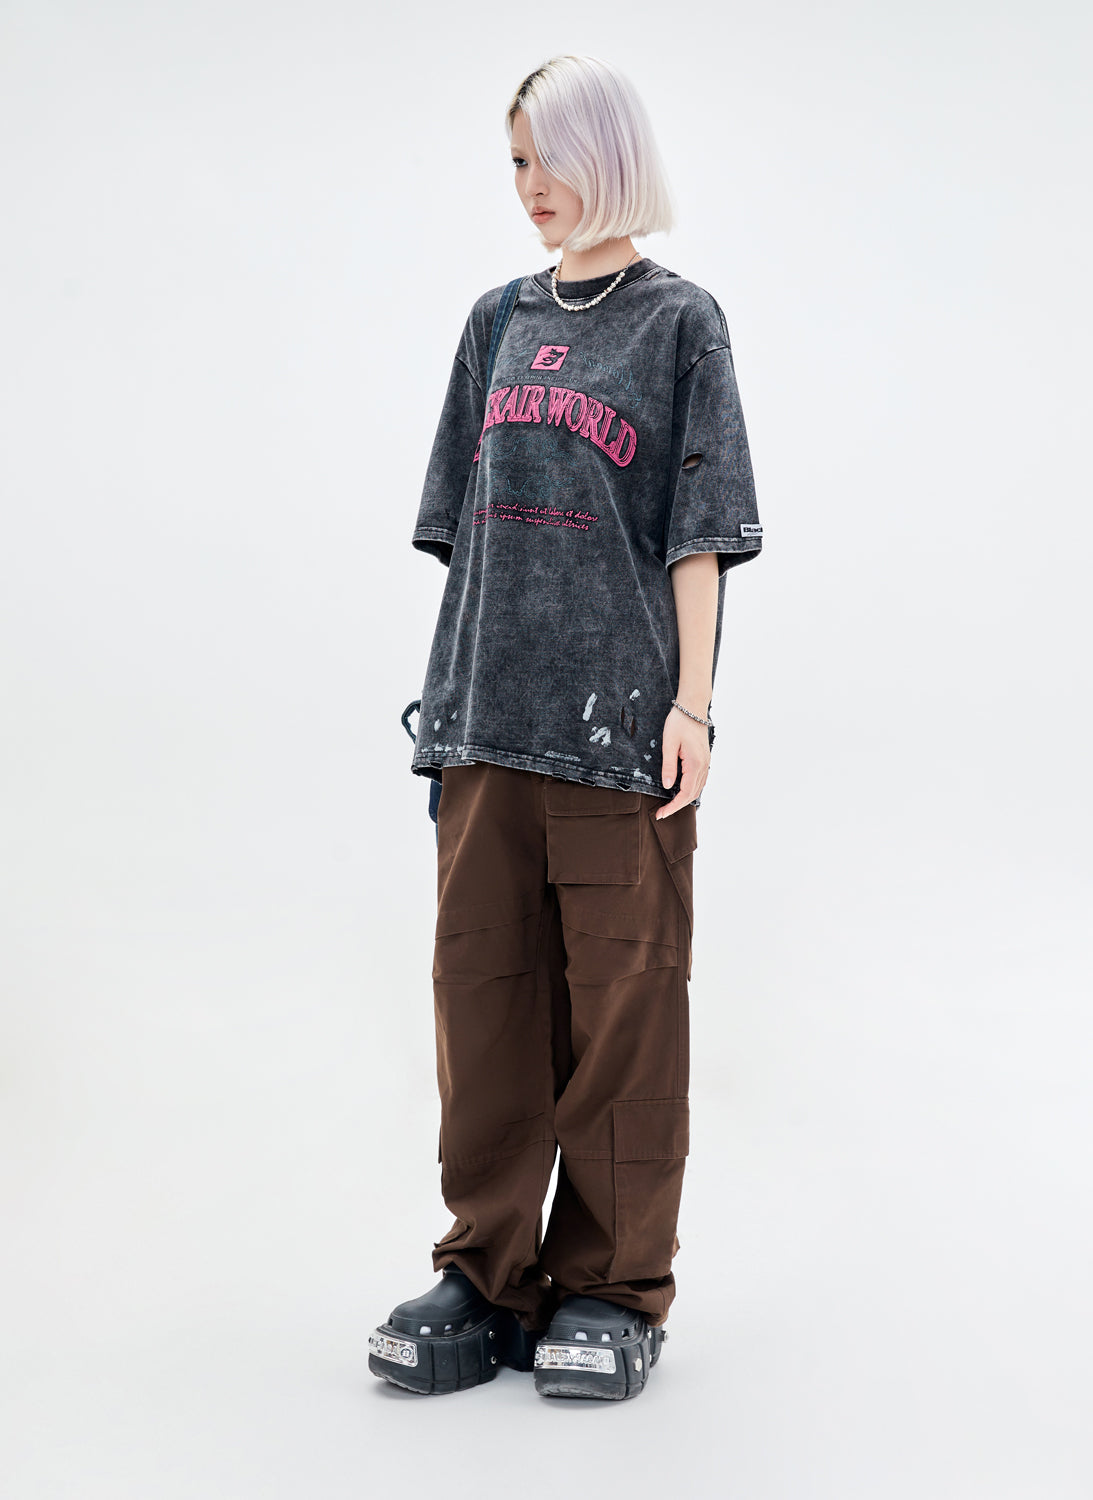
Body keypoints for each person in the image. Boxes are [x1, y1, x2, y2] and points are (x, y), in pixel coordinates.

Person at [369, 53, 762, 1401]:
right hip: (484, 723)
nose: (529, 186)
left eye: (547, 157)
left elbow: (699, 535)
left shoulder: (679, 325)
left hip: (619, 734)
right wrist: (449, 716)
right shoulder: (493, 323)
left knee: (623, 1012)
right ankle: (484, 1276)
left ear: (608, 152)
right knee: (483, 1006)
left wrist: (693, 704)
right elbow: (467, 539)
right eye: (516, 163)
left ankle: (611, 1287)